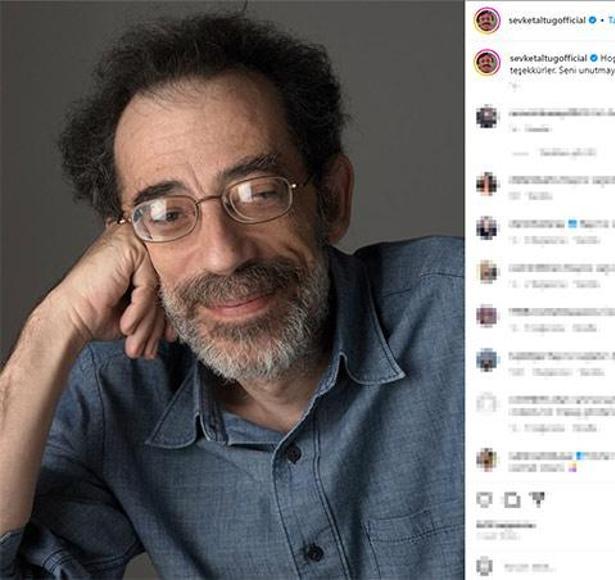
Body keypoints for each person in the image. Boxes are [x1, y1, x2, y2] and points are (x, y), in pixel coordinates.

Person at [0, 13, 463, 579]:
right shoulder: (118, 393)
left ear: (332, 200)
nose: (223, 254)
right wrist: (55, 324)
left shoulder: (474, 317)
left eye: (258, 193)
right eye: (167, 214)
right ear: (123, 246)